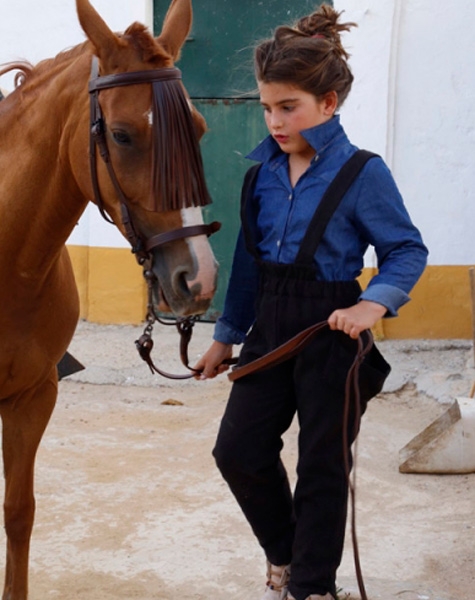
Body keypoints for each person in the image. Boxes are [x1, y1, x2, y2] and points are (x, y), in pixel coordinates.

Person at [194, 5, 428, 600]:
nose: (274, 120)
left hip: (333, 330)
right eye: (267, 107)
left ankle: (313, 586)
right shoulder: (259, 177)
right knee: (238, 449)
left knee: (323, 464)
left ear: (328, 103)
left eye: (288, 106)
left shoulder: (362, 173)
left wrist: (371, 306)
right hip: (270, 325)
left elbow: (405, 249)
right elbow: (249, 265)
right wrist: (225, 335)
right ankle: (288, 555)